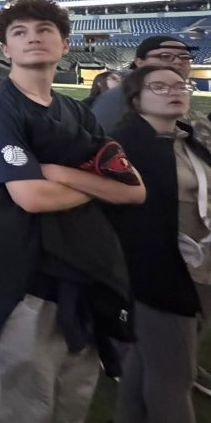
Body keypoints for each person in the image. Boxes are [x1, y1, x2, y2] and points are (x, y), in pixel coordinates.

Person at [0, 0, 146, 423]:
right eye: (19, 32)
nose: (33, 36)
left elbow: (135, 190)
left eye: (45, 29)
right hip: (26, 275)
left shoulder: (75, 111)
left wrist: (57, 172)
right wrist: (97, 187)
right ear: (5, 49)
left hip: (84, 272)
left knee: (73, 399)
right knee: (21, 406)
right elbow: (31, 197)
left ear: (65, 45)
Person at [106, 66, 211, 423]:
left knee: (141, 370)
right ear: (136, 98)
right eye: (159, 86)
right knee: (174, 377)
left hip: (188, 269)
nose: (173, 91)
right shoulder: (127, 146)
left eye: (180, 84)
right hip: (160, 275)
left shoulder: (185, 138)